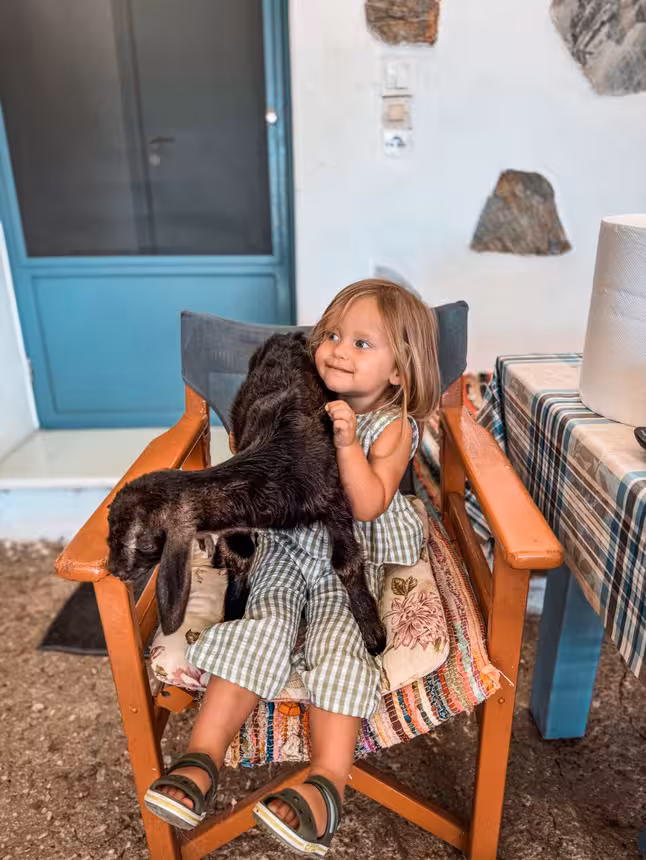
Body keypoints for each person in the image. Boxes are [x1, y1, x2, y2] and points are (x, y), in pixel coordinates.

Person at [143, 279, 441, 855]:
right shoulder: (296, 399)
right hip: (282, 549)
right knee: (261, 629)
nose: (335, 350)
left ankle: (327, 781)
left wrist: (347, 444)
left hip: (344, 564)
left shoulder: (392, 424)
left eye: (361, 344)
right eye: (331, 335)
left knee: (339, 646)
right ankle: (200, 761)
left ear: (400, 371)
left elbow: (368, 504)